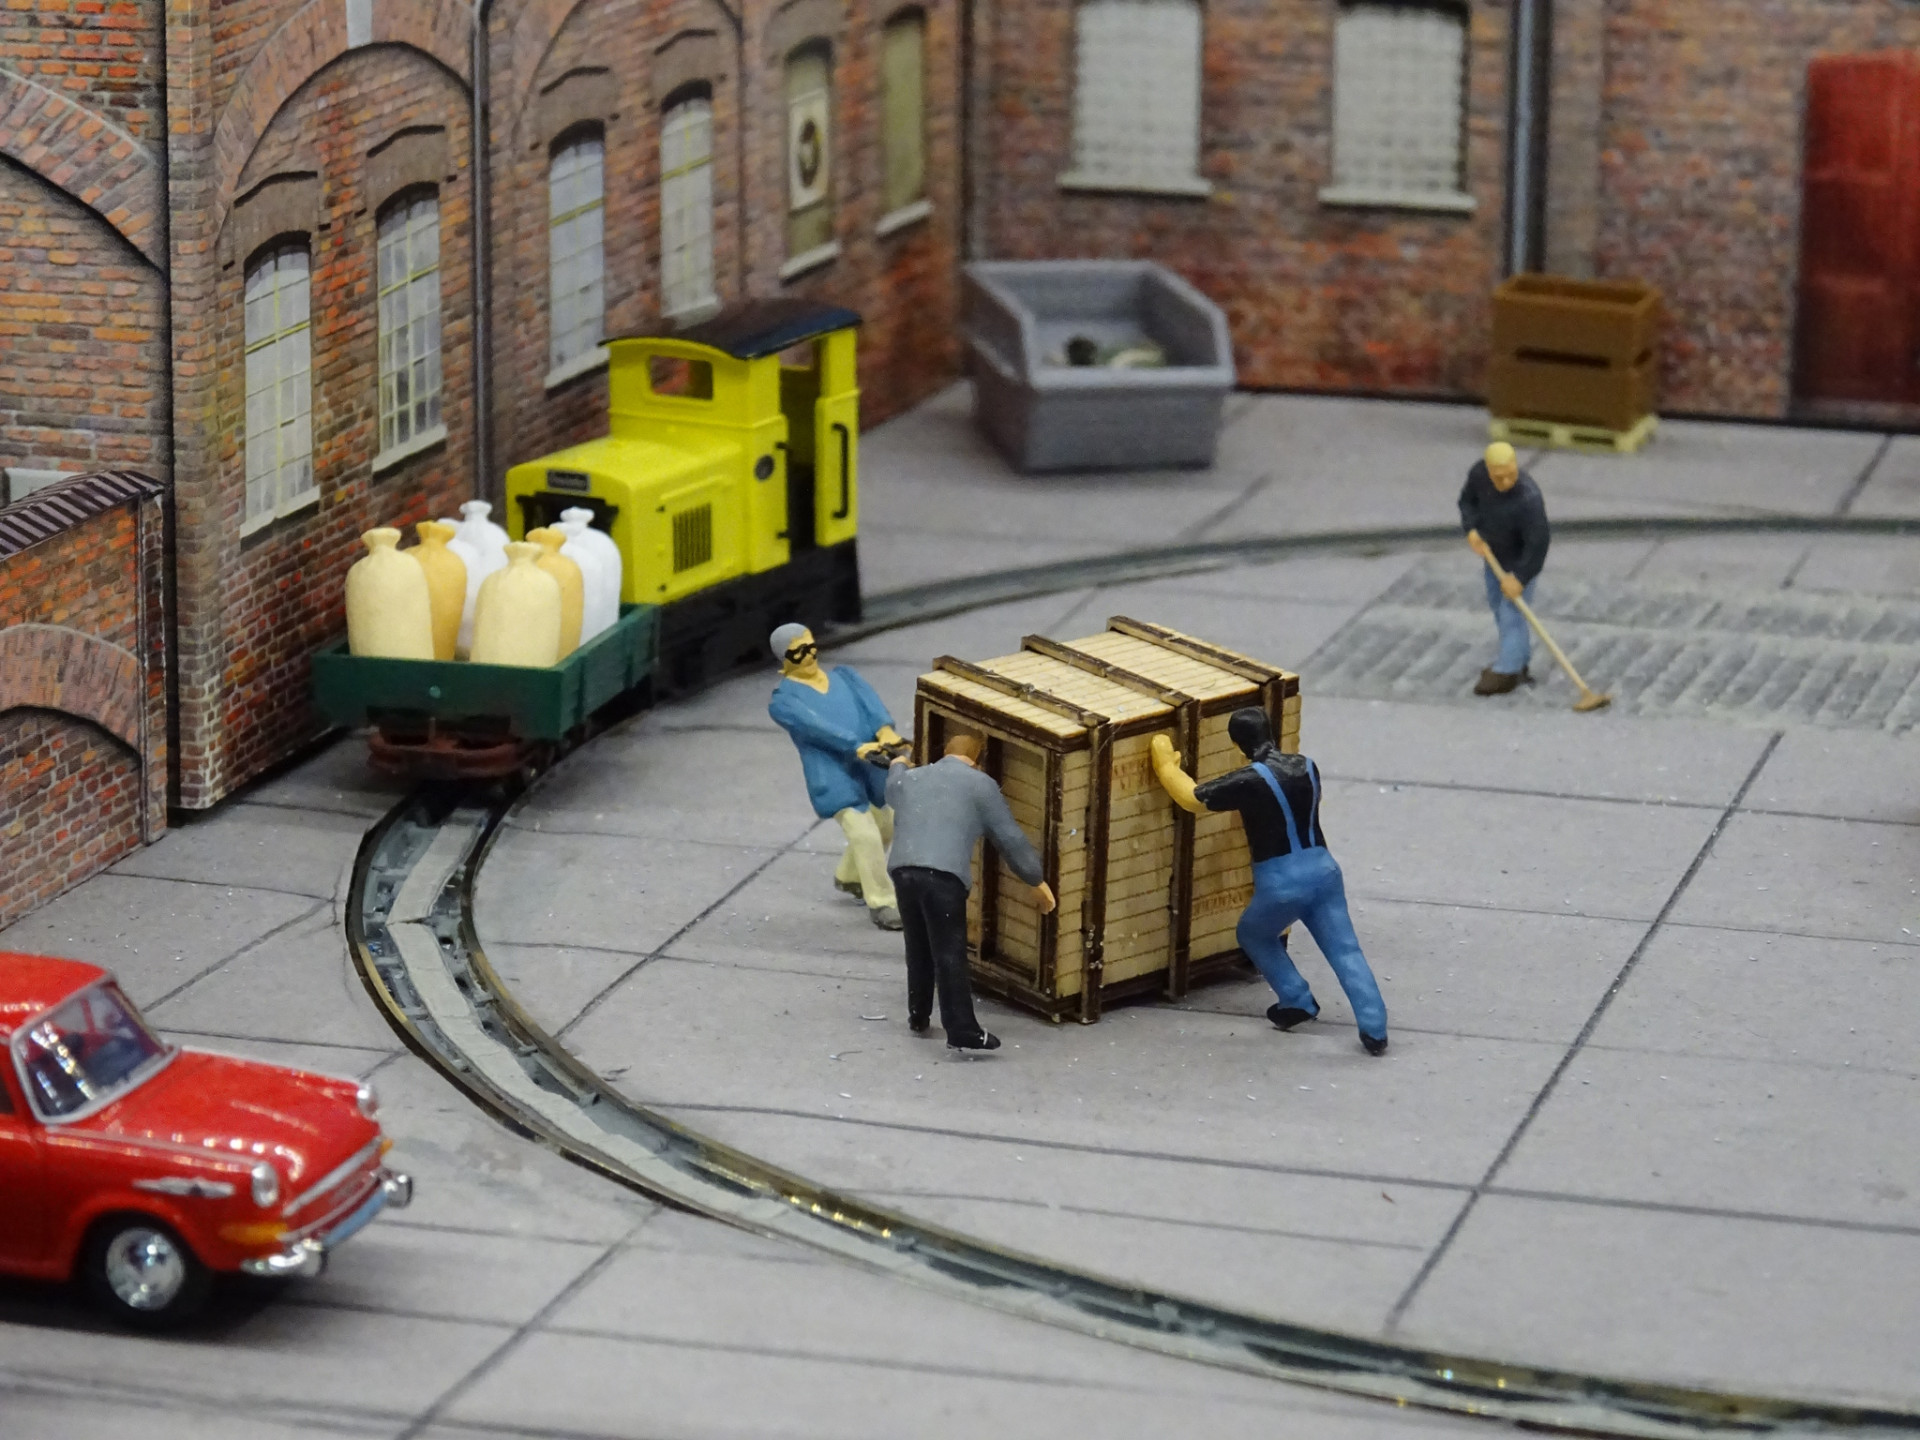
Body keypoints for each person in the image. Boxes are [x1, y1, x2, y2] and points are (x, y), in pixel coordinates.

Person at [1150, 708, 1388, 1056]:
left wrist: (1166, 767)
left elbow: (1192, 798)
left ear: (1236, 743)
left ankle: (1296, 998)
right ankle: (1375, 1028)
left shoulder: (1250, 780)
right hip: (1324, 869)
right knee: (1345, 949)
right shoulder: (1307, 766)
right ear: (1271, 732)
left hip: (1283, 882)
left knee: (1253, 934)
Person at [886, 731, 1055, 1051]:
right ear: (978, 761)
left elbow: (893, 788)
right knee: (949, 952)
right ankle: (961, 1028)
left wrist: (898, 763)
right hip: (943, 875)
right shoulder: (981, 785)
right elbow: (1010, 839)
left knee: (917, 945)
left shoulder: (913, 778)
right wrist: (1035, 879)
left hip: (903, 870)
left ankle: (918, 1014)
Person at [766, 623, 906, 930]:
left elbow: (872, 705)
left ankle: (850, 876)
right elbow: (816, 728)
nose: (808, 656)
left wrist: (886, 731)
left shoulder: (845, 677)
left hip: (871, 765)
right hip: (833, 773)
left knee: (885, 826)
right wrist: (855, 746)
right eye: (797, 652)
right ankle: (883, 902)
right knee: (865, 835)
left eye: (810, 647)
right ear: (784, 659)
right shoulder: (784, 701)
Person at [1459, 440, 1551, 696]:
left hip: (1520, 564)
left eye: (1511, 474)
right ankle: (1518, 659)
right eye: (1499, 477)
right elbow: (1467, 502)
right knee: (1499, 609)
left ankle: (1507, 670)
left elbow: (1538, 544)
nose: (1506, 481)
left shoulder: (1528, 499)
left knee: (1511, 614)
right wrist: (1471, 529)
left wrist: (1520, 578)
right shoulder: (1479, 476)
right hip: (1493, 557)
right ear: (1489, 470)